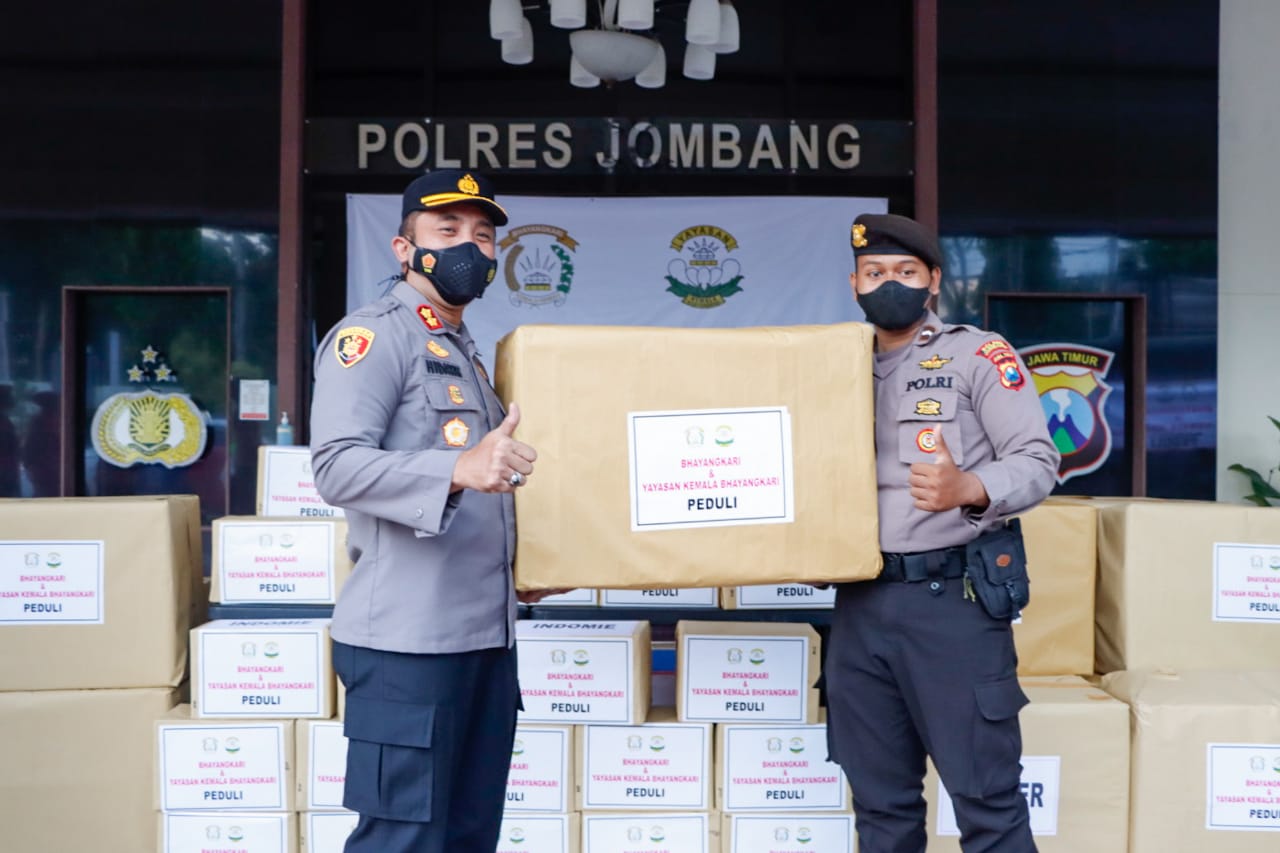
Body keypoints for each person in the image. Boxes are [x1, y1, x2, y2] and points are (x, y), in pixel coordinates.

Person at [310, 169, 563, 853]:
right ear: (404, 248)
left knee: (468, 836)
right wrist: (457, 467)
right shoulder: (373, 338)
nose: (468, 247)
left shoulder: (467, 352)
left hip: (485, 641)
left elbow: (488, 485)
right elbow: (335, 465)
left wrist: (526, 566)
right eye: (447, 230)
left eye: (482, 235)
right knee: (404, 839)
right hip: (407, 646)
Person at [824, 213, 1060, 853]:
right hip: (859, 607)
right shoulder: (829, 367)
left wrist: (972, 487)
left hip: (952, 605)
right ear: (854, 284)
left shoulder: (978, 355)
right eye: (874, 272)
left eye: (905, 271)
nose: (888, 283)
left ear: (932, 281)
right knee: (881, 810)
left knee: (988, 807)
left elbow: (1038, 461)